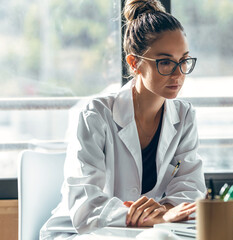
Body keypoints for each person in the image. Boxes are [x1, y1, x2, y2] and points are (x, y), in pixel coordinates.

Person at [40, 0, 206, 239]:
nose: (178, 74)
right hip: (80, 233)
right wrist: (154, 217)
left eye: (184, 60)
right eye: (166, 62)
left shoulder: (184, 116)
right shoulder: (95, 115)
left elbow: (190, 188)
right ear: (134, 63)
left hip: (144, 231)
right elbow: (86, 207)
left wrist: (166, 212)